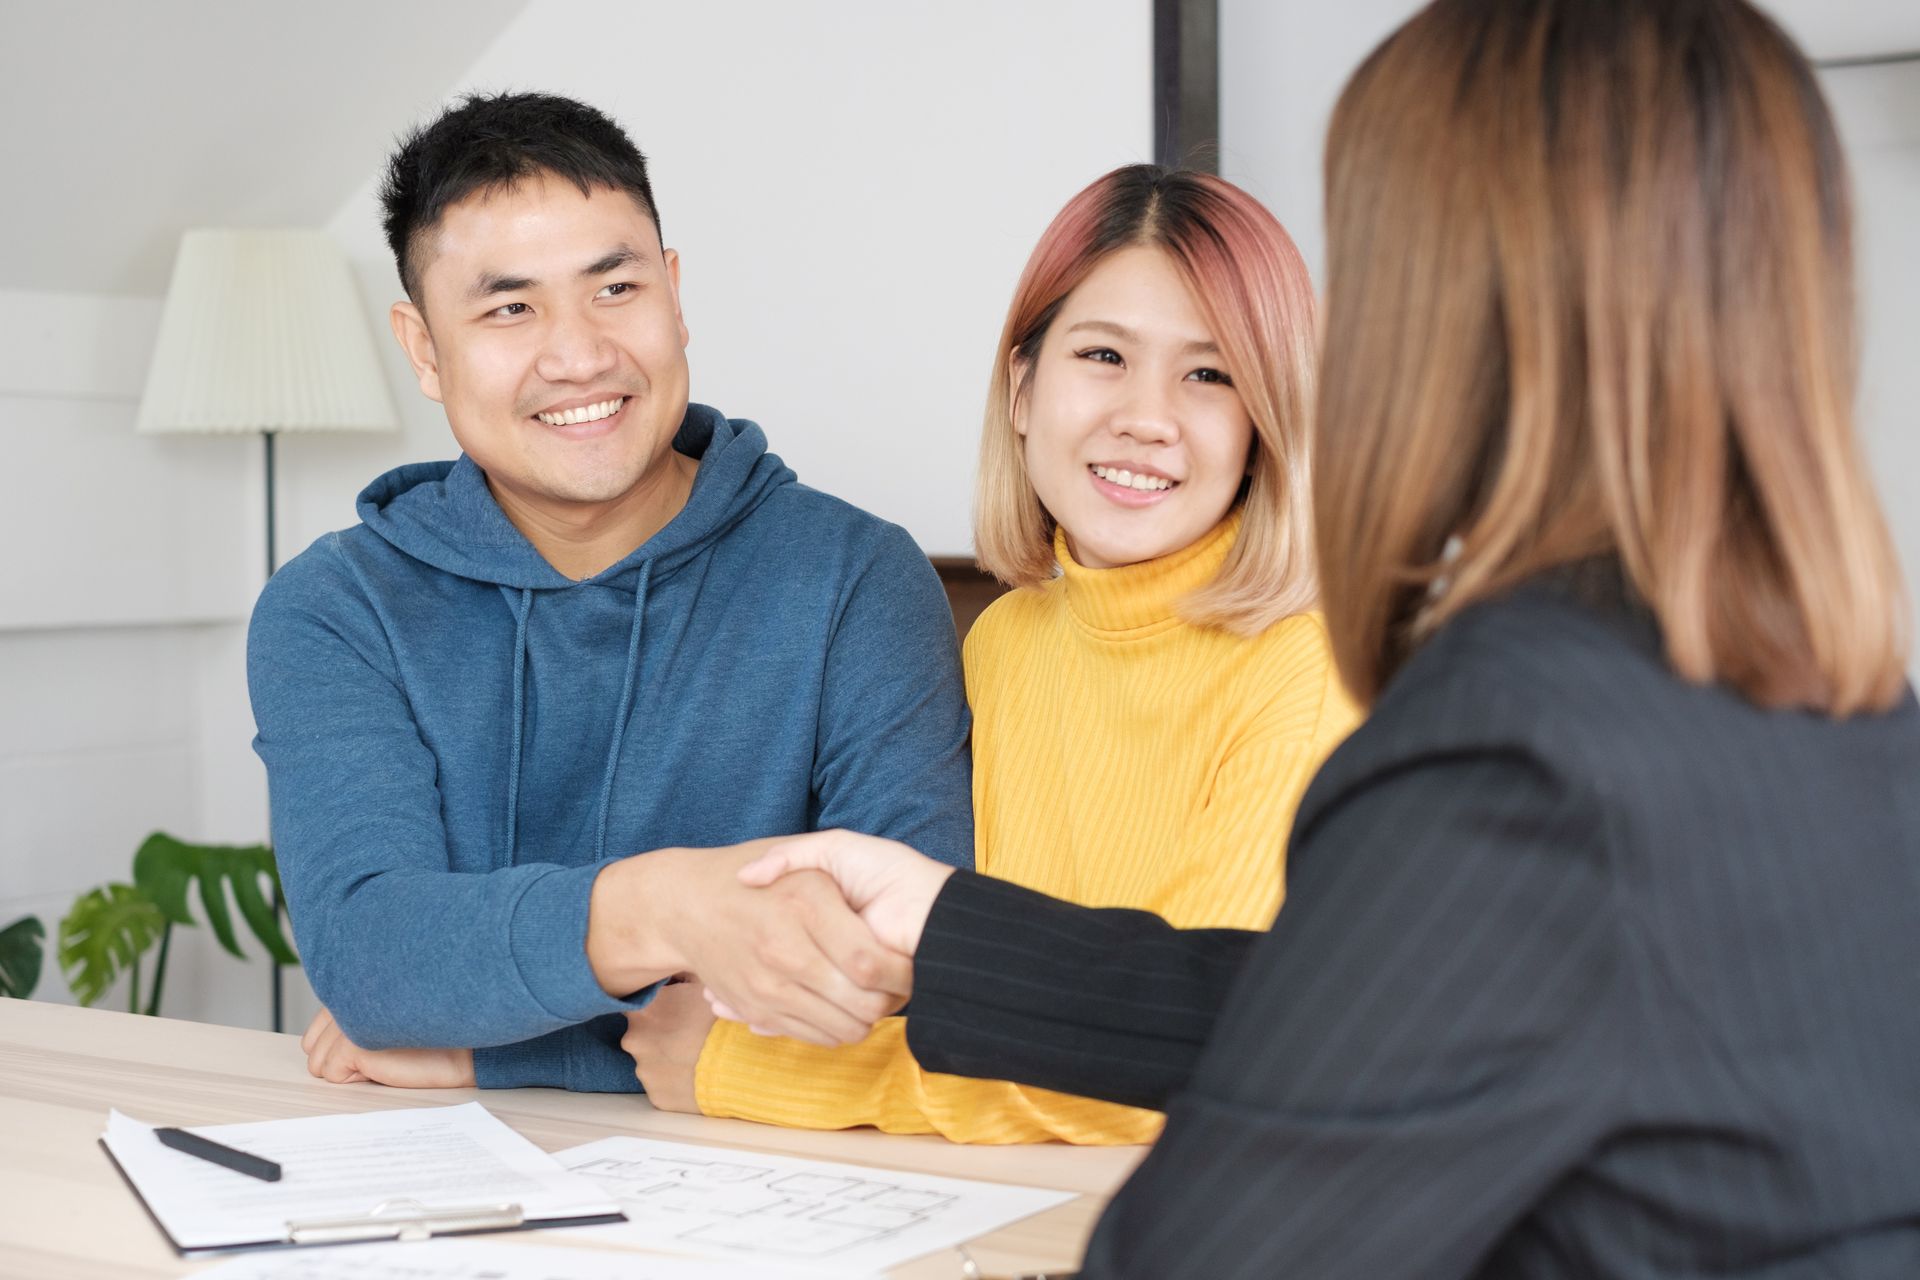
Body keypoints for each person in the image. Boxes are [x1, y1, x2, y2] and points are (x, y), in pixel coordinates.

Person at [715, 0, 1920, 1273]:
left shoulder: (1519, 752)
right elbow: (1350, 1013)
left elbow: (1212, 1238)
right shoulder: (1837, 715)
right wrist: (959, 931)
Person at [247, 92, 973, 1094]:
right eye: (510, 306)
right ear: (423, 348)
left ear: (674, 294)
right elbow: (374, 952)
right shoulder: (336, 608)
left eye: (615, 288)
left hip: (764, 1194)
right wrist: (669, 909)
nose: (580, 354)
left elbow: (896, 961)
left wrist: (492, 1039)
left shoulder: (855, 577)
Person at [619, 165, 1360, 1143]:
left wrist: (752, 1069)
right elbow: (981, 997)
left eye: (1210, 373)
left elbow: (1174, 1065)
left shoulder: (1310, 668)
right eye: (1103, 354)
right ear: (1022, 388)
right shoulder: (1007, 640)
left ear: (1266, 428)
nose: (1148, 415)